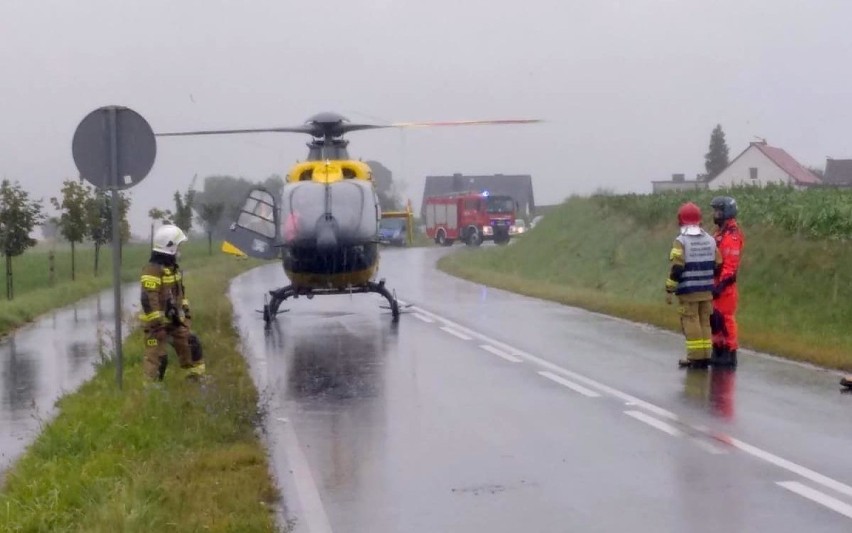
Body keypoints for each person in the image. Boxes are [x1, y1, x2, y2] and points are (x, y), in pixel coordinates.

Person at [140, 224, 206, 382]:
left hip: (174, 321)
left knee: (191, 344)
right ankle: (152, 392)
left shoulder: (173, 269)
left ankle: (195, 381)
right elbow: (148, 299)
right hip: (156, 326)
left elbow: (179, 294)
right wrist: (157, 325)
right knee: (157, 358)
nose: (179, 250)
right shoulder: (152, 270)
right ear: (169, 247)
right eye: (178, 246)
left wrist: (185, 315)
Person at [666, 202, 722, 369]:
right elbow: (718, 263)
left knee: (691, 322)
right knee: (705, 322)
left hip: (689, 290)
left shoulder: (681, 241)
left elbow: (677, 267)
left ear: (681, 221)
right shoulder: (710, 239)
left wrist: (670, 288)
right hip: (706, 289)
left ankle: (695, 358)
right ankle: (706, 356)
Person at [710, 196, 744, 368]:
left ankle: (730, 352)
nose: (715, 214)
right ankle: (718, 348)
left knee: (726, 319)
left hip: (726, 286)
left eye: (718, 211)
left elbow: (730, 265)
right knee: (714, 319)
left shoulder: (732, 236)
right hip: (715, 282)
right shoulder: (718, 234)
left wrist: (721, 285)